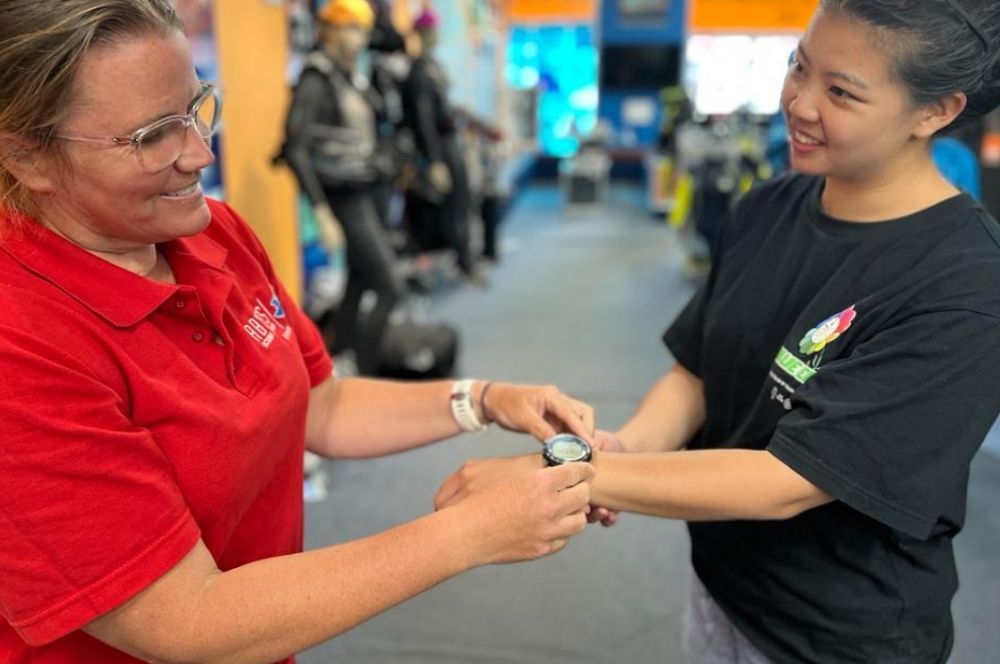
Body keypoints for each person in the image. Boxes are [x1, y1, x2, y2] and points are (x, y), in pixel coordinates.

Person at [0, 1, 598, 662]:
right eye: (153, 135)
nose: (200, 151)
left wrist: (482, 398)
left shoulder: (211, 234)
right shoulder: (21, 343)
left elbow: (321, 404)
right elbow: (186, 622)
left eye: (197, 106)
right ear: (29, 158)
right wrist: (468, 534)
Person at [436, 1, 1000, 663]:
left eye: (841, 92)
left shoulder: (962, 282)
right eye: (799, 66)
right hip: (723, 586)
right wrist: (622, 448)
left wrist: (571, 475)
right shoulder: (767, 206)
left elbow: (785, 482)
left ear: (935, 112)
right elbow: (698, 370)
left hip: (840, 635)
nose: (799, 102)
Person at [276, 0, 403, 375]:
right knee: (389, 285)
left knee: (360, 283)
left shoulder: (350, 75)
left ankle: (337, 365)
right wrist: (320, 209)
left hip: (369, 189)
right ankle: (368, 374)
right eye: (350, 27)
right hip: (345, 196)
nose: (358, 37)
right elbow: (295, 149)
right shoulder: (315, 79)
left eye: (362, 29)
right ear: (328, 30)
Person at [400, 8, 478, 279]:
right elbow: (423, 120)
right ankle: (462, 260)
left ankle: (464, 257)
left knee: (462, 202)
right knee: (452, 207)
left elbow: (445, 108)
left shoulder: (433, 66)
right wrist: (434, 161)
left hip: (450, 142)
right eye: (430, 31)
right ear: (421, 34)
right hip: (440, 148)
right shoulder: (419, 71)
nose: (434, 36)